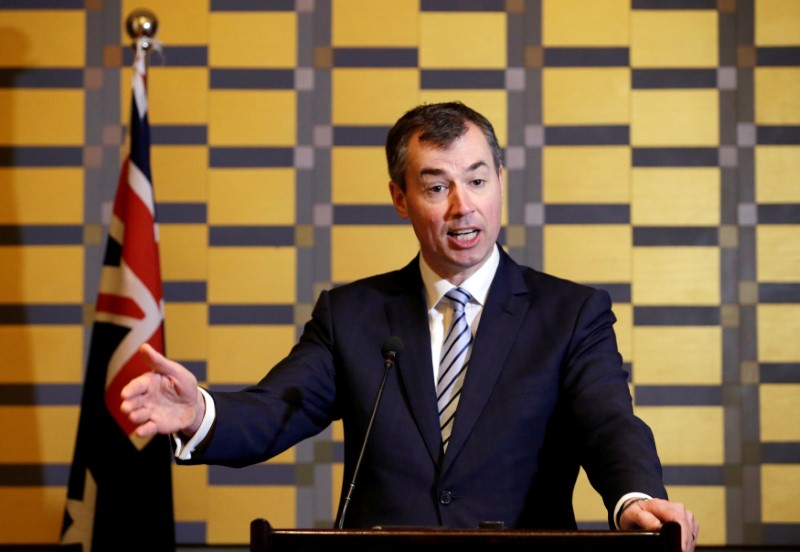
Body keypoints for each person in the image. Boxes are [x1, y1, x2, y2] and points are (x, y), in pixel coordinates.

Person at [121, 101, 699, 551]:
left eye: (477, 180)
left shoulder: (570, 314)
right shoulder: (352, 315)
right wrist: (200, 414)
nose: (462, 206)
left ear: (501, 180)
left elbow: (608, 423)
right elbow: (279, 408)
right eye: (435, 187)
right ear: (400, 198)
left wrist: (635, 497)